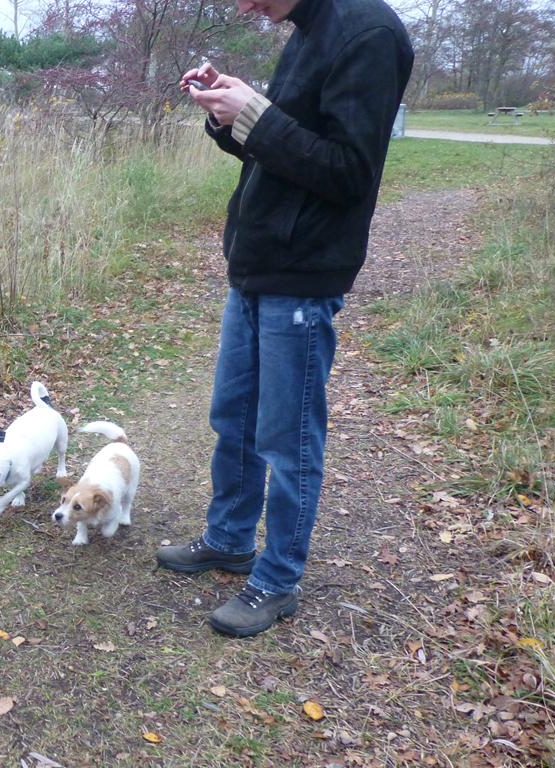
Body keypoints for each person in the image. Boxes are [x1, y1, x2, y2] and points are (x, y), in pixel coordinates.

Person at [156, 0, 413, 637]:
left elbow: (350, 172)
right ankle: (229, 539)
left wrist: (257, 116)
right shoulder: (308, 29)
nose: (244, 5)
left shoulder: (369, 34)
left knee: (287, 439)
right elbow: (283, 154)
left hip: (304, 272)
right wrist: (230, 115)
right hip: (258, 262)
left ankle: (277, 579)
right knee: (234, 419)